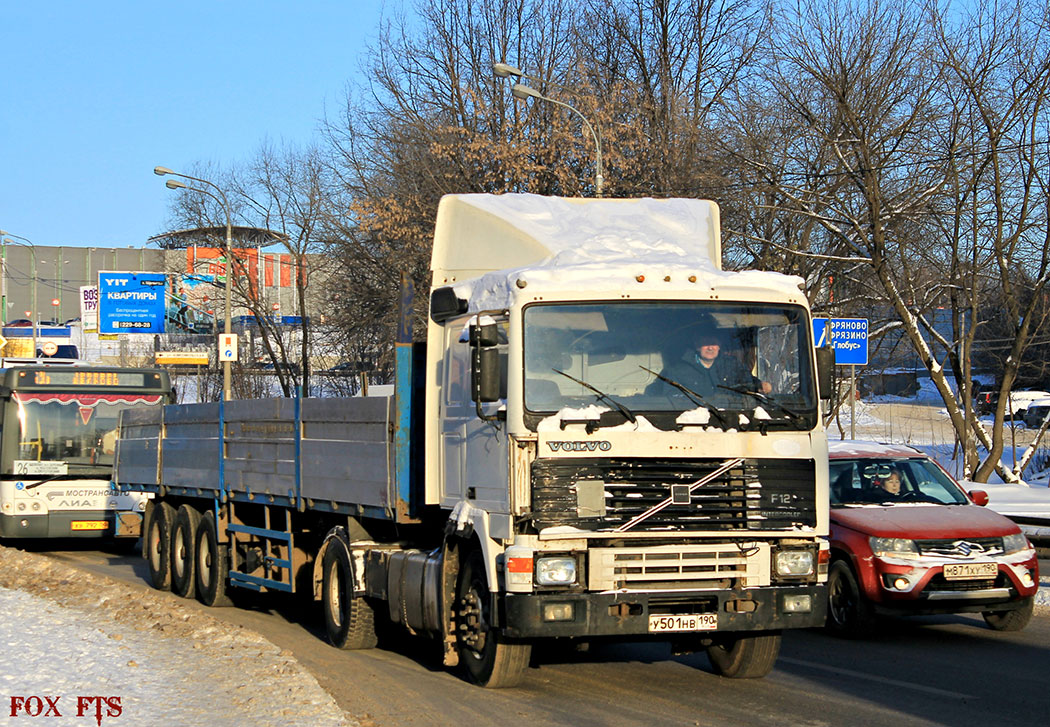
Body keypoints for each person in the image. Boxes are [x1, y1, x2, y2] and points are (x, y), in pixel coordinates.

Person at [659, 328, 771, 402]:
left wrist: (759, 385)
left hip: (729, 419)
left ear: (719, 346)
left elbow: (746, 381)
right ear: (697, 346)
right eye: (705, 343)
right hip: (694, 422)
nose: (710, 347)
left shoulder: (731, 365)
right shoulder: (678, 369)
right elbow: (669, 397)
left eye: (714, 343)